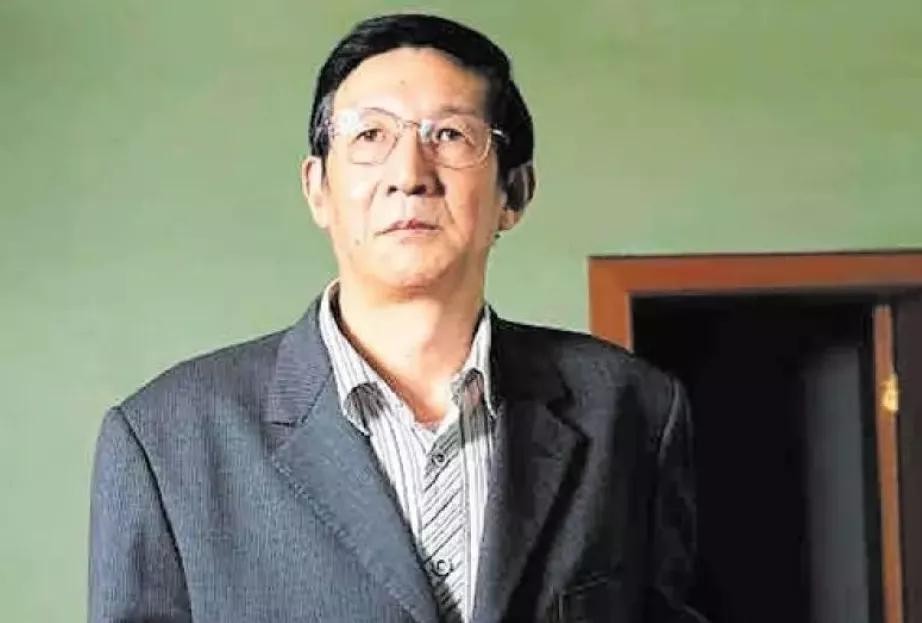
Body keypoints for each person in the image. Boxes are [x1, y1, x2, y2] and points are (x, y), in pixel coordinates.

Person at [89, 13, 706, 623]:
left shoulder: (633, 410)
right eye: (370, 135)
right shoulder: (164, 440)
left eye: (451, 135)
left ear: (513, 193)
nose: (409, 176)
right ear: (318, 189)